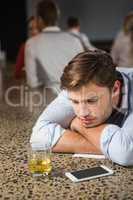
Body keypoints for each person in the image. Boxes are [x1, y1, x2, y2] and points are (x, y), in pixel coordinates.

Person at [30, 50, 133, 166]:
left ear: (115, 89)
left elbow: (127, 154)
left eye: (91, 101)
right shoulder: (76, 87)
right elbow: (38, 137)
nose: (82, 113)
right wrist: (113, 148)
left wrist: (78, 125)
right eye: (74, 102)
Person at [25, 0, 84, 93]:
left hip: (45, 101)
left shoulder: (31, 44)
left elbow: (32, 82)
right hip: (74, 100)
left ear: (39, 19)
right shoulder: (74, 41)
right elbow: (83, 75)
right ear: (57, 17)